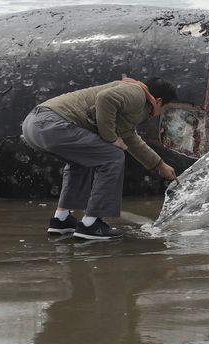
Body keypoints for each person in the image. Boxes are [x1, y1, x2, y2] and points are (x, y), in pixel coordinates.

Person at [21, 76, 178, 240]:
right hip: (52, 124)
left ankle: (61, 221)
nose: (162, 114)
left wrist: (160, 165)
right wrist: (111, 138)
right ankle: (91, 225)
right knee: (113, 156)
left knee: (82, 162)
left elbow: (130, 138)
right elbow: (106, 98)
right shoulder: (137, 93)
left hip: (34, 126)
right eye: (165, 109)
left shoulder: (132, 107)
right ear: (158, 101)